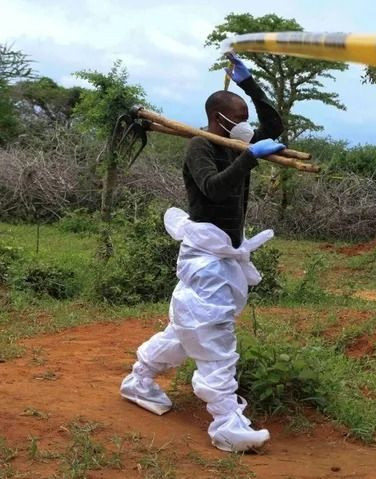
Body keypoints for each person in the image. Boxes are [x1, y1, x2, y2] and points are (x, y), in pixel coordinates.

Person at [119, 52, 285, 452]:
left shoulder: (233, 142)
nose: (246, 122)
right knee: (211, 331)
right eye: (240, 114)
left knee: (186, 327)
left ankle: (140, 380)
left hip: (225, 251)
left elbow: (275, 126)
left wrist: (249, 83)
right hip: (206, 255)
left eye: (248, 115)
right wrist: (248, 158)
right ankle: (227, 422)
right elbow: (213, 189)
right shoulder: (201, 146)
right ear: (218, 117)